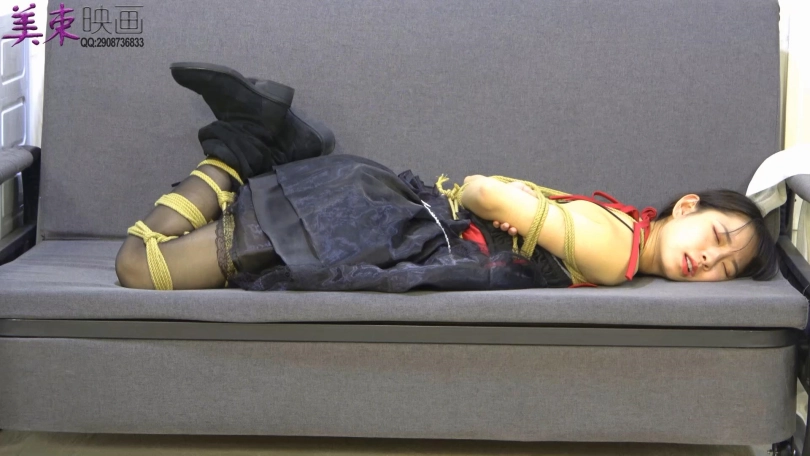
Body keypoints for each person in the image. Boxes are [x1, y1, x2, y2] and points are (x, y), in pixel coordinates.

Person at [115, 63, 779, 292]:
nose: (710, 260)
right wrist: (497, 200)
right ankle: (246, 144)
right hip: (376, 228)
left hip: (393, 219)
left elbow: (492, 197)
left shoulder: (621, 226)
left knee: (145, 266)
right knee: (140, 269)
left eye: (725, 267)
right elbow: (483, 190)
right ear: (687, 206)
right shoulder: (615, 250)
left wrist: (503, 203)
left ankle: (259, 142)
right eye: (718, 236)